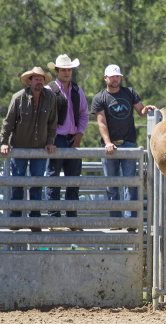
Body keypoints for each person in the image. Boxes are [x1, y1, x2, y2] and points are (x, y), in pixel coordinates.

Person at [91, 64, 156, 229]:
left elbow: (140, 111)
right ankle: (115, 221)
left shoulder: (129, 92)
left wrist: (146, 109)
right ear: (105, 78)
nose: (115, 79)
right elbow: (101, 122)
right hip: (111, 146)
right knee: (112, 185)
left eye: (118, 76)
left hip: (129, 143)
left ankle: (130, 221)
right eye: (112, 76)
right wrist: (107, 142)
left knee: (131, 183)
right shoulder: (100, 98)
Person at [0, 66, 57, 232]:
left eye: (41, 79)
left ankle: (35, 220)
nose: (39, 81)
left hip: (40, 148)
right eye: (36, 78)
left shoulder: (50, 98)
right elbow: (8, 122)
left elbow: (52, 123)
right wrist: (4, 142)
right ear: (30, 81)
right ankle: (15, 219)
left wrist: (50, 141)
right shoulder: (18, 98)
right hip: (20, 147)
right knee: (18, 182)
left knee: (36, 183)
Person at [45, 54, 89, 231]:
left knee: (73, 180)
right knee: (53, 179)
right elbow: (45, 118)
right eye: (63, 69)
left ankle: (71, 220)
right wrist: (49, 139)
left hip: (72, 139)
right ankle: (54, 221)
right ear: (57, 71)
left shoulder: (77, 90)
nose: (66, 72)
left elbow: (84, 114)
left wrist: (80, 133)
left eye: (69, 70)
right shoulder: (50, 90)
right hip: (56, 139)